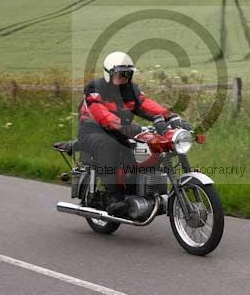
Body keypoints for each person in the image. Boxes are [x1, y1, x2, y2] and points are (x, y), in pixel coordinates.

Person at [77, 51, 191, 216]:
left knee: (144, 150)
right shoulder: (95, 88)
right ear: (108, 74)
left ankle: (138, 192)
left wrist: (170, 116)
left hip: (122, 132)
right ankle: (114, 197)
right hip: (93, 132)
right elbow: (99, 112)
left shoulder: (131, 90)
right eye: (119, 74)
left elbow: (146, 105)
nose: (123, 78)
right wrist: (121, 125)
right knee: (110, 145)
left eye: (127, 74)